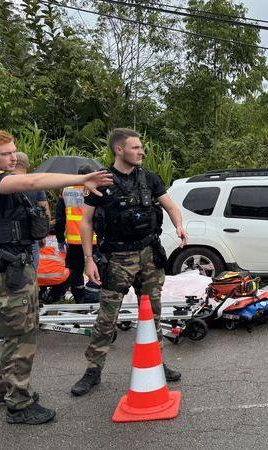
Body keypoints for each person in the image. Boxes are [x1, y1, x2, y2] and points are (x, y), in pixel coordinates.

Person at [0, 130, 112, 424]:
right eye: (6, 153)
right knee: (22, 336)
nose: (13, 157)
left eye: (13, 151)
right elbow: (32, 180)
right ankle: (18, 404)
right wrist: (81, 179)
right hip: (7, 271)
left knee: (17, 331)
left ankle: (4, 387)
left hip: (14, 267)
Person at [70, 128, 188, 397]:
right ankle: (93, 369)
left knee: (153, 313)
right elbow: (85, 222)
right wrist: (88, 260)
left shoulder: (150, 179)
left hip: (149, 255)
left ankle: (156, 361)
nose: (141, 152)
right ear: (119, 150)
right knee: (106, 317)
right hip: (117, 258)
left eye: (141, 147)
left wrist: (180, 225)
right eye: (135, 147)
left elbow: (170, 206)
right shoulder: (100, 182)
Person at [49, 165, 96, 303]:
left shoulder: (66, 191)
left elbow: (60, 219)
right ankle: (93, 298)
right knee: (96, 270)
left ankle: (79, 298)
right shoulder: (95, 190)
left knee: (76, 271)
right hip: (93, 240)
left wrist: (59, 238)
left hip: (73, 240)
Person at [12, 152, 50, 270]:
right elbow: (44, 209)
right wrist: (43, 235)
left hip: (9, 237)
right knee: (31, 272)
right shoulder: (34, 183)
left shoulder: (4, 181)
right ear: (27, 165)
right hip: (31, 236)